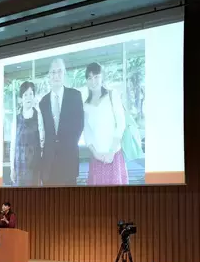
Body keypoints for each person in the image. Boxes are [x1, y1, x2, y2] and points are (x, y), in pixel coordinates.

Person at [39, 58, 84, 186]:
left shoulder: (75, 96)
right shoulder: (43, 102)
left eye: (59, 71)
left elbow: (79, 125)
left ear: (64, 74)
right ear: (49, 75)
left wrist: (66, 147)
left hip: (68, 161)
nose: (56, 75)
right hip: (49, 165)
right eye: (53, 72)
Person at [83, 62, 128, 185]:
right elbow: (87, 133)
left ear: (102, 77)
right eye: (89, 78)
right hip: (97, 158)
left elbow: (121, 124)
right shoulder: (86, 105)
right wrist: (95, 154)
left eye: (96, 76)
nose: (93, 81)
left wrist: (111, 152)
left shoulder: (112, 95)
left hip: (114, 155)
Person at [11, 81, 44, 186]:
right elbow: (13, 145)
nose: (28, 97)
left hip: (35, 166)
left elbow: (42, 143)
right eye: (25, 95)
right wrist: (12, 168)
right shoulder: (16, 119)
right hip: (19, 166)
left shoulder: (39, 116)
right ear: (21, 98)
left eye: (31, 94)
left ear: (34, 96)